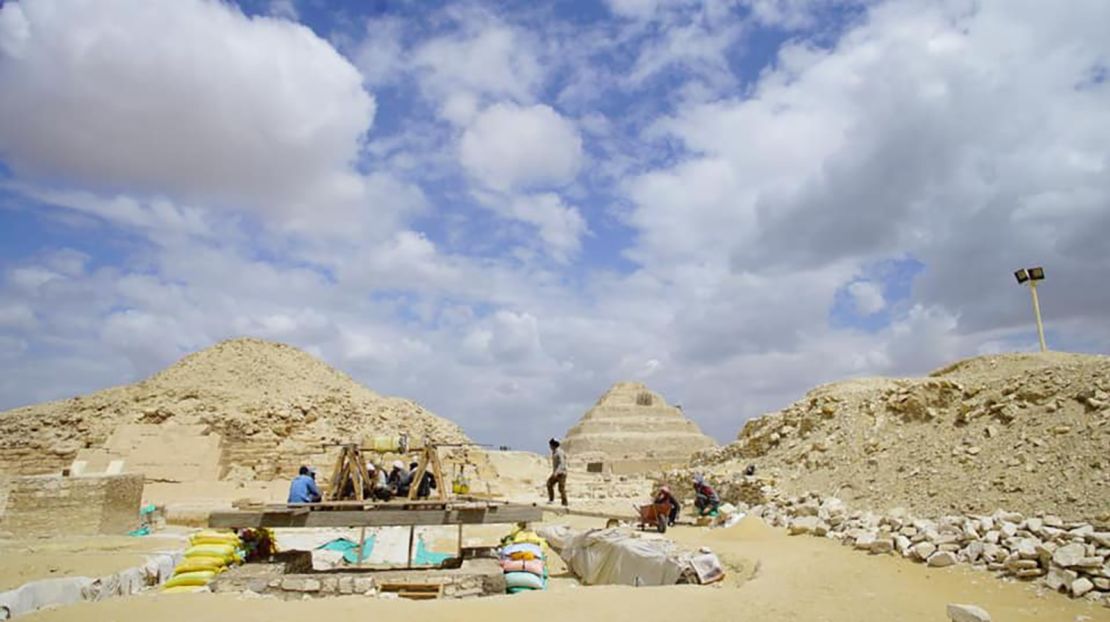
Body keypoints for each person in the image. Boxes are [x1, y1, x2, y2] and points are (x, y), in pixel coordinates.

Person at [546, 438, 568, 507]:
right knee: (549, 484)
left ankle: (564, 502)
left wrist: (557, 472)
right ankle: (551, 499)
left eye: (550, 445)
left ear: (553, 445)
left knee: (561, 488)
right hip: (556, 472)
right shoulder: (554, 452)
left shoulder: (560, 452)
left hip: (561, 473)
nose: (549, 447)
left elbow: (562, 463)